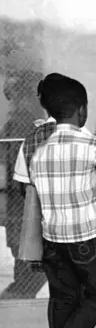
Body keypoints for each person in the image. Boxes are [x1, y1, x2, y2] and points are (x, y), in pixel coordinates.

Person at [30, 73, 96, 328]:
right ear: (81, 110)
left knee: (63, 297)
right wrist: (95, 189)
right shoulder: (92, 145)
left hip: (52, 239)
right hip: (85, 238)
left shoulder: (39, 153)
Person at [0, 69, 47, 300]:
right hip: (18, 202)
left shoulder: (37, 126)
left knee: (32, 267)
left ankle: (16, 298)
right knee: (25, 261)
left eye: (19, 96)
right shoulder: (13, 126)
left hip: (31, 202)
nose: (15, 102)